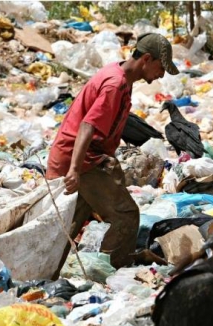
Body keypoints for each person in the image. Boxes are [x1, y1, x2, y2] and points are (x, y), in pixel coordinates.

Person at [47, 33, 179, 278]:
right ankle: (112, 277)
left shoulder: (118, 75)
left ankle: (45, 272)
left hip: (79, 156)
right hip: (81, 160)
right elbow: (87, 126)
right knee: (126, 214)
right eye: (160, 68)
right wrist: (75, 169)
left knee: (68, 223)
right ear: (146, 59)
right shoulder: (115, 84)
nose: (161, 75)